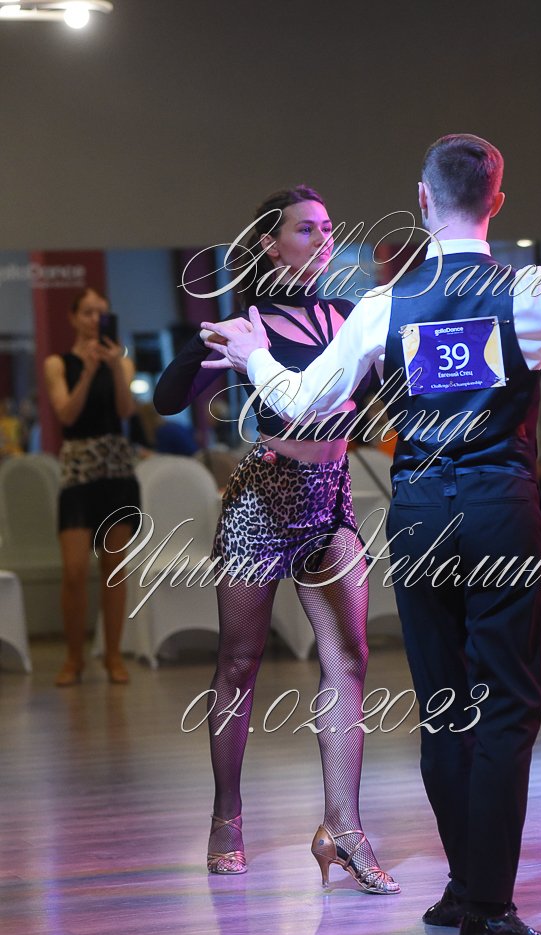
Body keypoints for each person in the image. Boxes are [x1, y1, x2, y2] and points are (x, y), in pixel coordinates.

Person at [201, 134, 541, 935]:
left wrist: (254, 355)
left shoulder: (384, 305)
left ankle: (463, 888)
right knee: (508, 707)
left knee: (445, 706)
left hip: (418, 513)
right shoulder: (530, 291)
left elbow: (301, 398)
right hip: (498, 512)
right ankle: (488, 903)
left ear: (422, 200)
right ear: (497, 201)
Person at [154, 186, 399, 894]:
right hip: (262, 501)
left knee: (350, 657)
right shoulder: (249, 323)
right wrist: (207, 340)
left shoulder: (348, 316)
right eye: (305, 229)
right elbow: (168, 400)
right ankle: (226, 817)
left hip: (331, 500)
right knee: (239, 662)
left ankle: (344, 829)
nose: (323, 240)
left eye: (328, 228)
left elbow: (385, 396)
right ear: (269, 242)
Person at [44, 288, 139, 686]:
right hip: (78, 470)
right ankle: (74, 658)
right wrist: (85, 371)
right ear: (73, 317)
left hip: (116, 469)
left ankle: (113, 656)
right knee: (74, 571)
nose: (95, 319)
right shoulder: (58, 363)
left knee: (113, 570)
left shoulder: (123, 361)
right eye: (87, 312)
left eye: (101, 312)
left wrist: (114, 367)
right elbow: (66, 414)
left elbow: (126, 410)